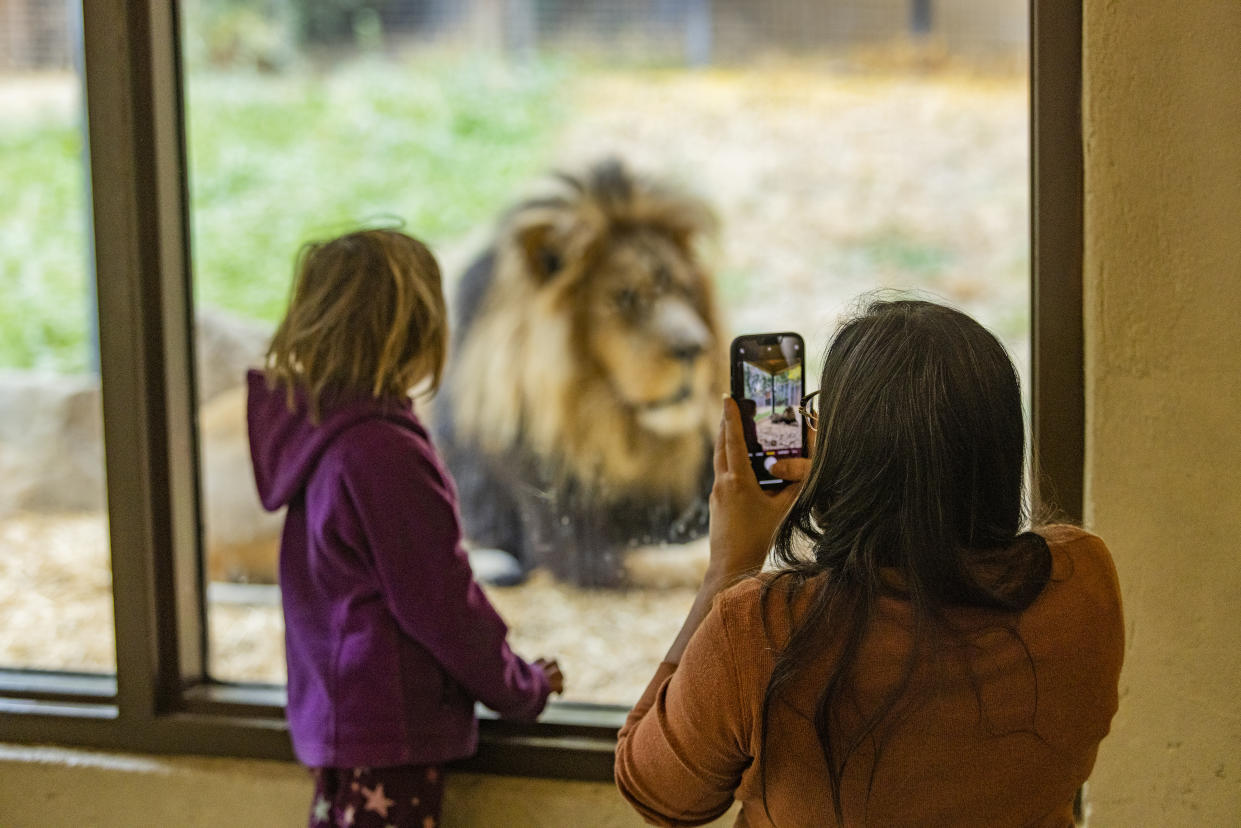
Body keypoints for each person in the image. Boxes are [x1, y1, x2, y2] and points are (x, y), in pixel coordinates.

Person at [614, 298, 1123, 826]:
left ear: (844, 452)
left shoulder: (760, 629)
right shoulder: (1081, 576)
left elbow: (657, 794)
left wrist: (730, 563)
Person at [247, 228, 564, 828]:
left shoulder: (321, 434)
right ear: (419, 329)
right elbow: (440, 602)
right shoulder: (382, 451)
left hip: (343, 722)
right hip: (385, 732)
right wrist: (518, 687)